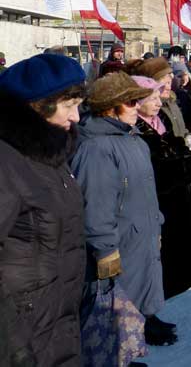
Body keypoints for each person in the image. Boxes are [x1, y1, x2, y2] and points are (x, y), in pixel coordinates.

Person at [70, 72, 176, 346]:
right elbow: (96, 207)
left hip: (139, 237)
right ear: (109, 107)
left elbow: (144, 193)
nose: (137, 106)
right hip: (118, 245)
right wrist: (105, 250)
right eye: (130, 102)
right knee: (112, 312)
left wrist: (156, 224)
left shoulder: (135, 140)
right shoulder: (96, 148)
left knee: (134, 306)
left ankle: (126, 353)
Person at [0, 54, 87, 366]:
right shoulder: (7, 161)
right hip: (20, 337)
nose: (77, 117)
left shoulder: (53, 156)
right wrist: (12, 346)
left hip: (56, 325)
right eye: (68, 105)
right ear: (37, 104)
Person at [131, 75, 191, 308]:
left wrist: (186, 153)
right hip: (155, 203)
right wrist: (183, 166)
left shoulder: (158, 122)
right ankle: (147, 314)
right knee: (150, 263)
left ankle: (155, 306)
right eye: (152, 98)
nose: (159, 102)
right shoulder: (136, 129)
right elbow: (156, 170)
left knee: (168, 262)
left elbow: (173, 151)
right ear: (136, 101)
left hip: (173, 203)